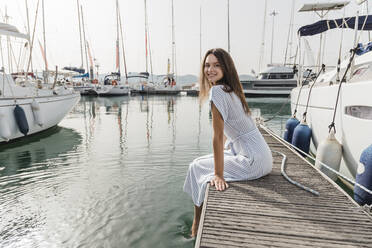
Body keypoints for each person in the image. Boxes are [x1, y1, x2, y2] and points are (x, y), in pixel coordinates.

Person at [183, 48, 273, 237]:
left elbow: (216, 136)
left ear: (226, 68)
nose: (210, 69)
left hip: (252, 161)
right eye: (207, 65)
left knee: (196, 167)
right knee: (198, 165)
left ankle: (196, 224)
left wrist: (218, 174)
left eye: (216, 65)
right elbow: (225, 132)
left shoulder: (218, 91)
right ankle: (196, 220)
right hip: (261, 156)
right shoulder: (232, 90)